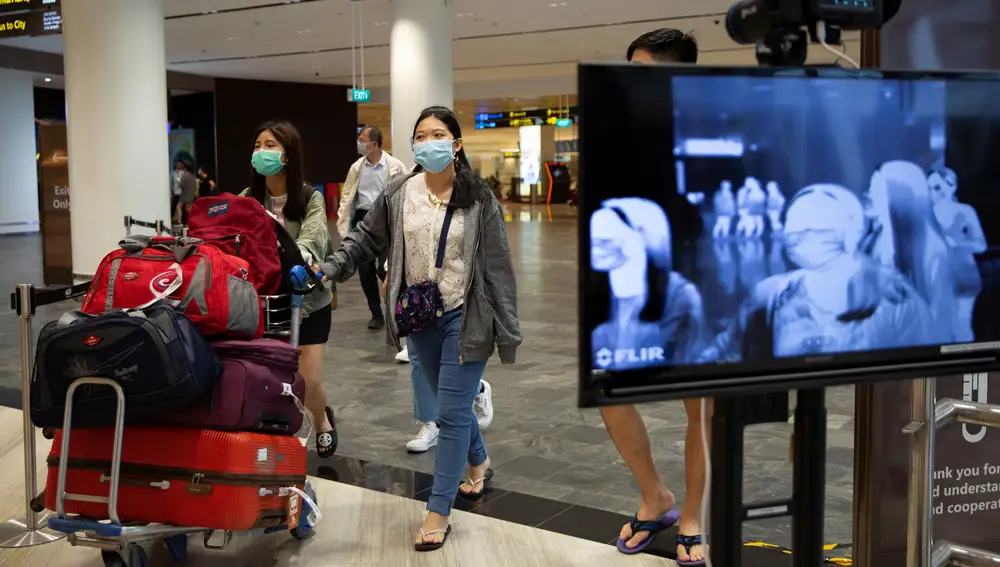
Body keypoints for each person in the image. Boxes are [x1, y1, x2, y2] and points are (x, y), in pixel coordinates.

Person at [318, 106, 520, 551]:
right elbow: (364, 240)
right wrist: (331, 267)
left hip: (466, 317)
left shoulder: (480, 198)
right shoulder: (398, 193)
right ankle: (479, 462)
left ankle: (439, 510)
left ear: (456, 144)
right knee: (454, 403)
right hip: (419, 315)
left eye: (438, 134)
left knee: (448, 413)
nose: (428, 142)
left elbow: (500, 268)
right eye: (420, 135)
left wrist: (508, 328)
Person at [600, 29, 709, 566]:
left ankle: (691, 514)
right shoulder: (625, 130)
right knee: (609, 392)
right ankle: (655, 495)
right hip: (634, 281)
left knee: (702, 409)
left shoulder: (705, 126)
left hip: (696, 279)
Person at [241, 119, 338, 458]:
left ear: (288, 154)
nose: (261, 152)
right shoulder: (247, 201)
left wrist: (300, 261)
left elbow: (314, 238)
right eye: (257, 146)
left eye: (270, 145)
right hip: (264, 302)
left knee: (309, 380)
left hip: (308, 300)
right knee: (270, 376)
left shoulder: (310, 197)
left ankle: (322, 420)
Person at [868, 160, 958, 343]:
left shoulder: (935, 252)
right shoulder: (878, 238)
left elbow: (941, 324)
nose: (870, 200)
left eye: (876, 194)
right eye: (870, 192)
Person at [337, 126, 409, 330]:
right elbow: (348, 195)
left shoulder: (395, 166)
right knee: (365, 270)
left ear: (374, 144)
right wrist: (343, 221)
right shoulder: (357, 167)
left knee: (384, 268)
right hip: (363, 218)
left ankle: (395, 308)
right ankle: (376, 314)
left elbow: (405, 191)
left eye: (362, 139)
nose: (359, 143)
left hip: (386, 219)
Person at [172, 152, 198, 225]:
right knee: (189, 210)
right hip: (191, 196)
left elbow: (180, 185)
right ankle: (189, 222)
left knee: (178, 207)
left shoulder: (184, 176)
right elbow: (195, 187)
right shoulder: (193, 177)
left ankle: (180, 220)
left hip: (184, 196)